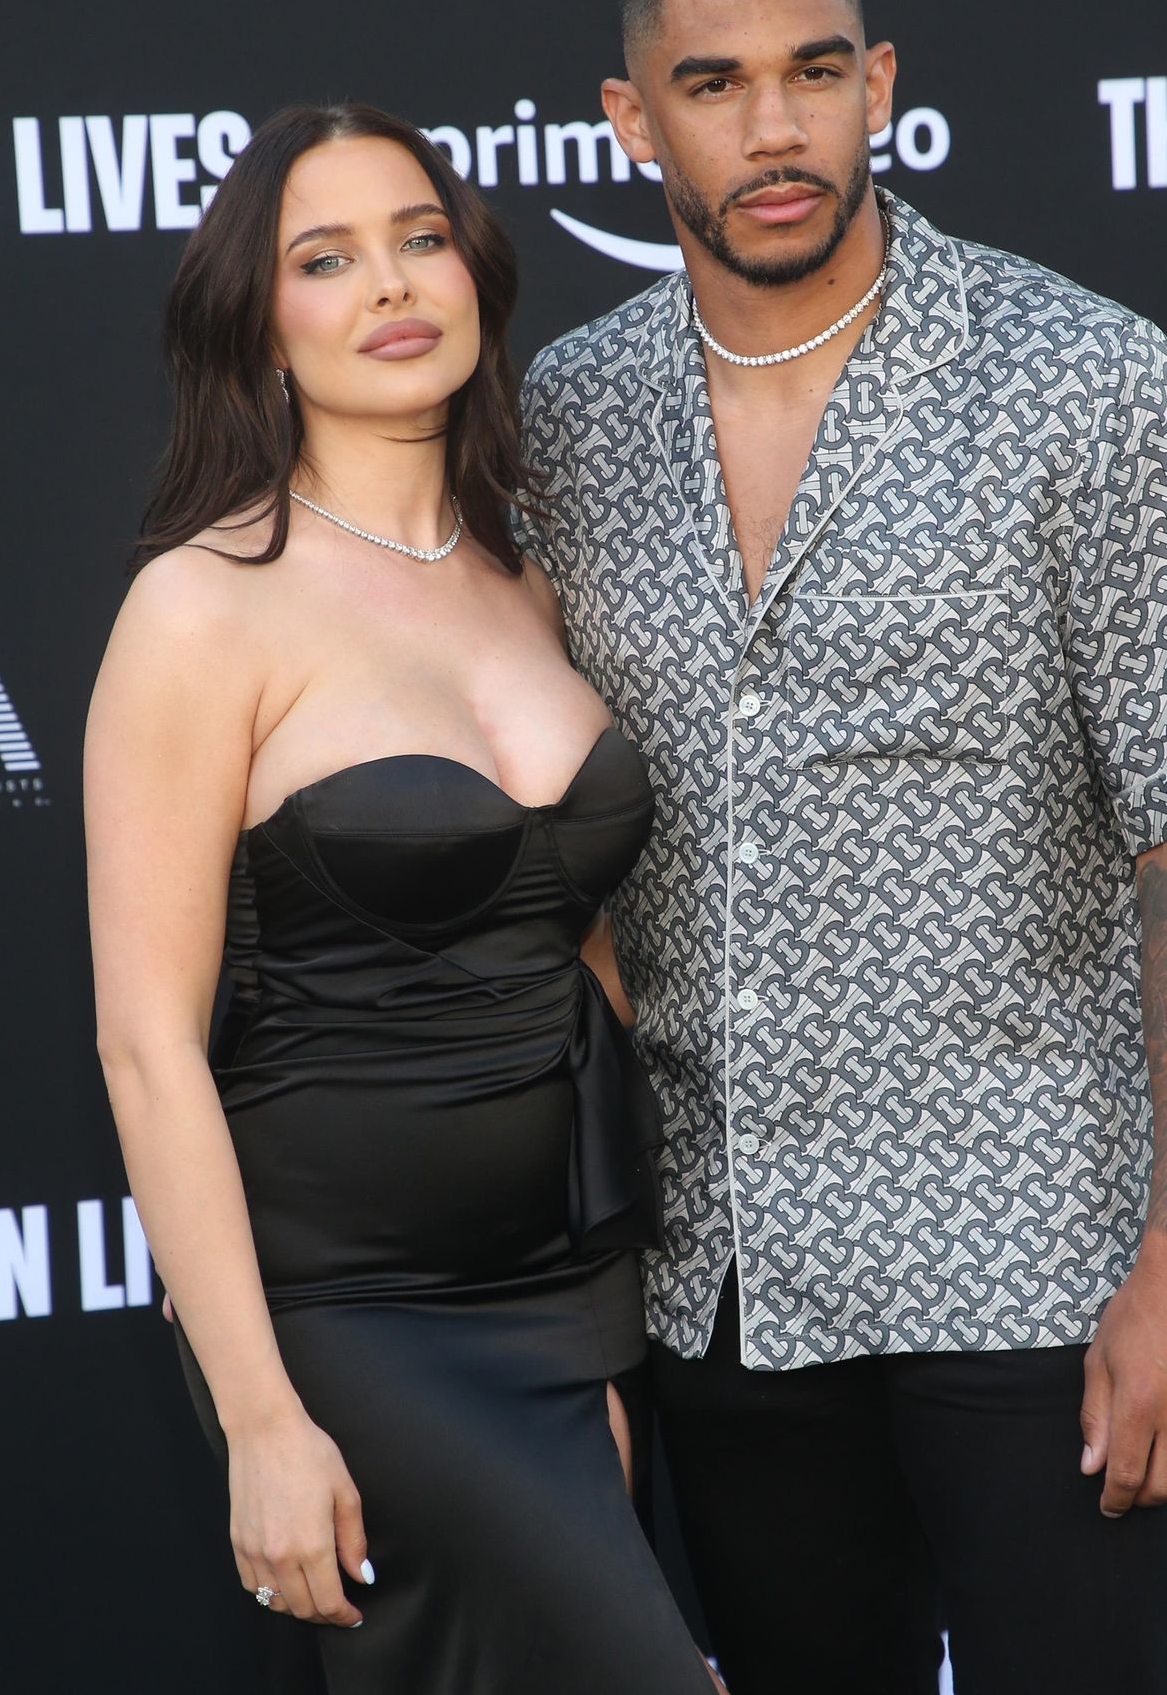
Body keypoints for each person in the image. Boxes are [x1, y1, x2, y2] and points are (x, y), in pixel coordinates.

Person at [513, 0, 1167, 1695]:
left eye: (815, 72)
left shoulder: (1083, 380)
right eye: (715, 85)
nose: (774, 129)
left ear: (878, 83)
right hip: (726, 1278)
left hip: (1036, 1259)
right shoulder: (567, 416)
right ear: (631, 122)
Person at [84, 100, 721, 1693]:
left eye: (420, 238)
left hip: (572, 1284)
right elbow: (149, 1047)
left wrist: (617, 1297)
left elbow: (574, 934)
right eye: (325, 258)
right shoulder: (201, 606)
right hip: (349, 1314)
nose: (389, 283)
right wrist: (259, 1419)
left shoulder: (531, 576)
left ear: (474, 271)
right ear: (259, 323)